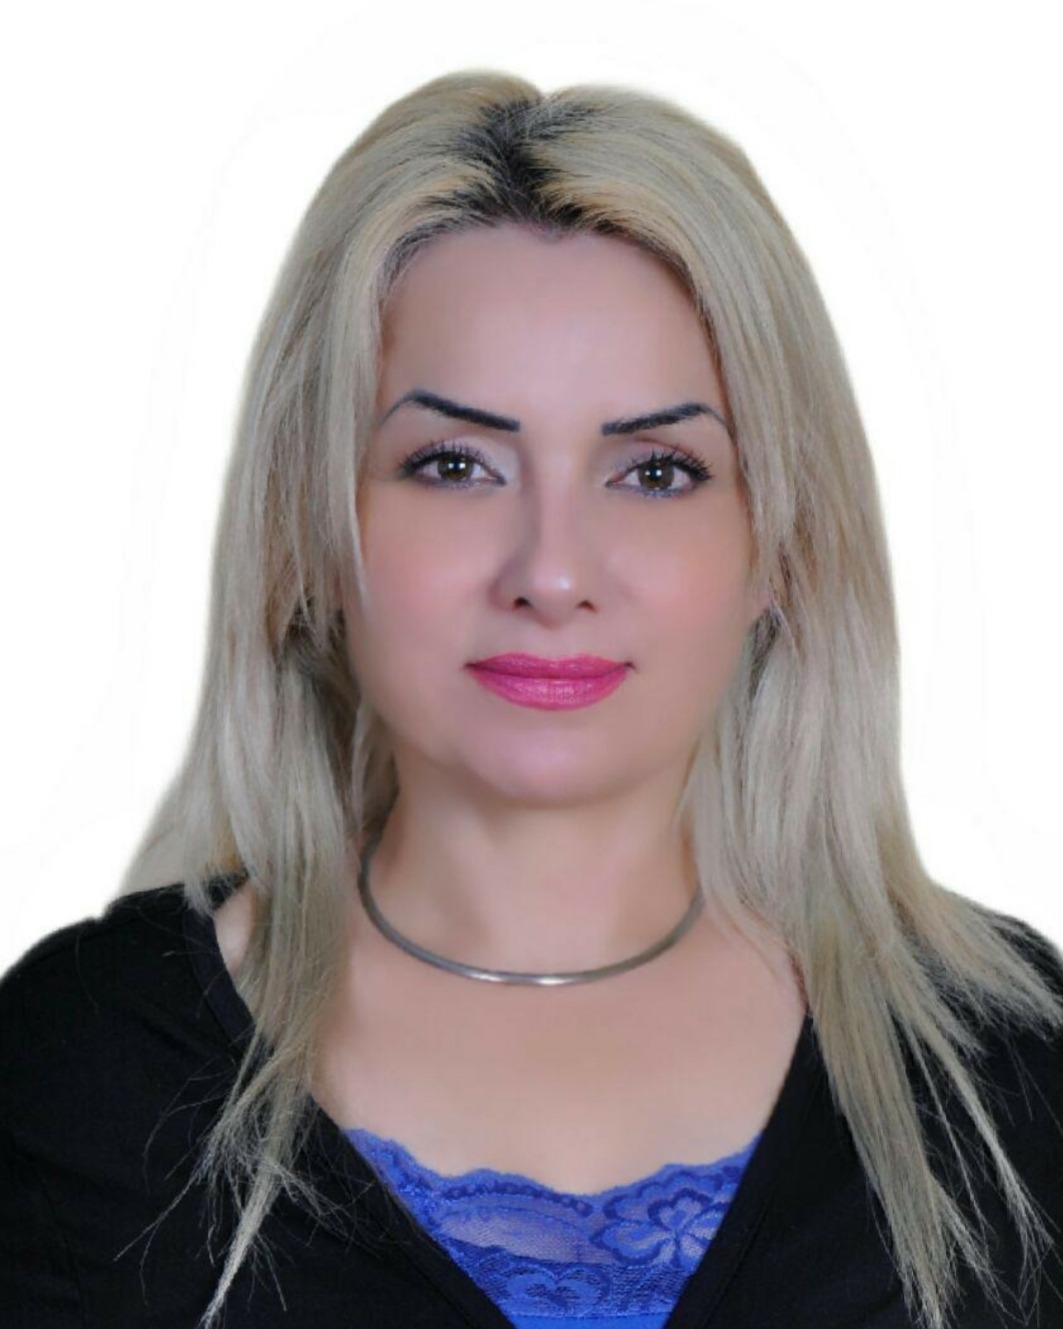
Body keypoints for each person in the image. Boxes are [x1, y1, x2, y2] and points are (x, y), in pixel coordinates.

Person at [1, 68, 1060, 1329]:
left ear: (781, 544)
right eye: (454, 464)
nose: (551, 574)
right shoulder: (80, 1071)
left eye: (655, 471)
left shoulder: (1012, 1074)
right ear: (308, 531)